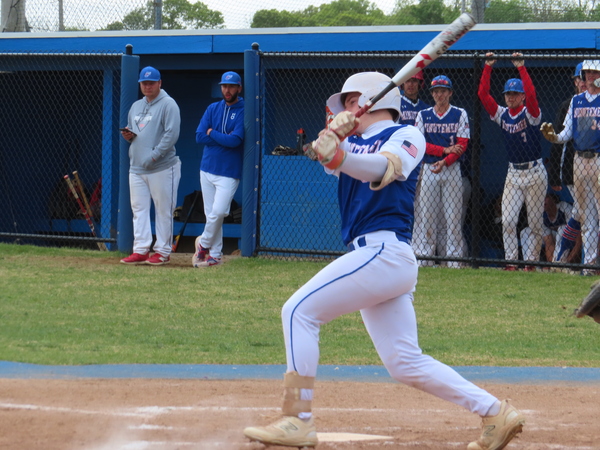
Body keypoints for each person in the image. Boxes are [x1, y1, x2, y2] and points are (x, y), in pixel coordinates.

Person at [242, 71, 525, 450]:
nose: (344, 109)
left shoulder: (406, 135)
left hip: (384, 251)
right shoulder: (352, 140)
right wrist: (333, 136)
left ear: (368, 101)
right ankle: (495, 412)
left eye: (349, 102)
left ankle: (298, 418)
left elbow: (382, 169)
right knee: (404, 362)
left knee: (298, 312)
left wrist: (340, 150)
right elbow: (322, 157)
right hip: (376, 257)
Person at [478, 52, 547, 272]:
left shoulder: (531, 113)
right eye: (508, 93)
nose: (510, 97)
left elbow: (533, 96)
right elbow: (483, 94)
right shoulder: (502, 114)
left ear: (522, 96)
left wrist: (521, 68)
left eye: (515, 94)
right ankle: (511, 262)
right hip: (514, 174)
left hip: (535, 172)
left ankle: (531, 263)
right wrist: (488, 66)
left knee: (535, 223)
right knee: (508, 220)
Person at [541, 59, 600, 275]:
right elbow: (567, 133)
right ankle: (590, 266)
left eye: (594, 72)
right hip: (579, 161)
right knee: (586, 216)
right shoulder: (576, 101)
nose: (590, 77)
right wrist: (553, 137)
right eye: (587, 73)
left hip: (598, 159)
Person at [120, 66, 181, 266]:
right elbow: (136, 132)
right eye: (144, 83)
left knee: (163, 210)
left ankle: (163, 251)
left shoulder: (168, 104)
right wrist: (129, 136)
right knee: (139, 209)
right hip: (137, 167)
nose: (147, 86)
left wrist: (154, 156)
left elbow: (171, 135)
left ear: (159, 83)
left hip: (162, 167)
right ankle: (140, 249)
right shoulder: (136, 106)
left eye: (151, 83)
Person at [413, 75, 469, 268]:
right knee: (427, 216)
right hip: (429, 168)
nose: (439, 94)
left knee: (453, 217)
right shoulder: (423, 115)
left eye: (443, 91)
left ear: (450, 93)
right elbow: (420, 144)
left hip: (452, 168)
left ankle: (453, 260)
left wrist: (445, 161)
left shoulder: (460, 113)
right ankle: (426, 258)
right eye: (435, 91)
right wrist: (444, 150)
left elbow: (462, 145)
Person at [192, 71, 244, 268]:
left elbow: (235, 140)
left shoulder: (243, 109)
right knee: (211, 215)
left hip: (229, 171)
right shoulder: (213, 108)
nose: (227, 90)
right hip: (206, 168)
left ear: (239, 88)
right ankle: (215, 255)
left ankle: (203, 244)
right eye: (224, 86)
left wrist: (212, 133)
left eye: (231, 86)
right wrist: (221, 137)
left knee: (219, 212)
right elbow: (199, 136)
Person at [546, 62, 590, 264]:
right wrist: (555, 174)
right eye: (581, 78)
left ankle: (566, 256)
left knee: (583, 213)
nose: (584, 82)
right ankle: (588, 262)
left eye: (589, 77)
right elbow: (559, 140)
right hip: (574, 166)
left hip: (595, 165)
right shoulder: (569, 104)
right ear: (575, 81)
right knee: (587, 215)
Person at [520, 192, 580, 263]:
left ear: (553, 199)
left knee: (562, 229)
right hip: (555, 238)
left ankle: (560, 262)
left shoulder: (565, 208)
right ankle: (530, 264)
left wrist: (569, 259)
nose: (543, 200)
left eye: (546, 197)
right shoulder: (542, 215)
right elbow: (549, 241)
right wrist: (551, 263)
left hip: (572, 238)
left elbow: (579, 237)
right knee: (526, 231)